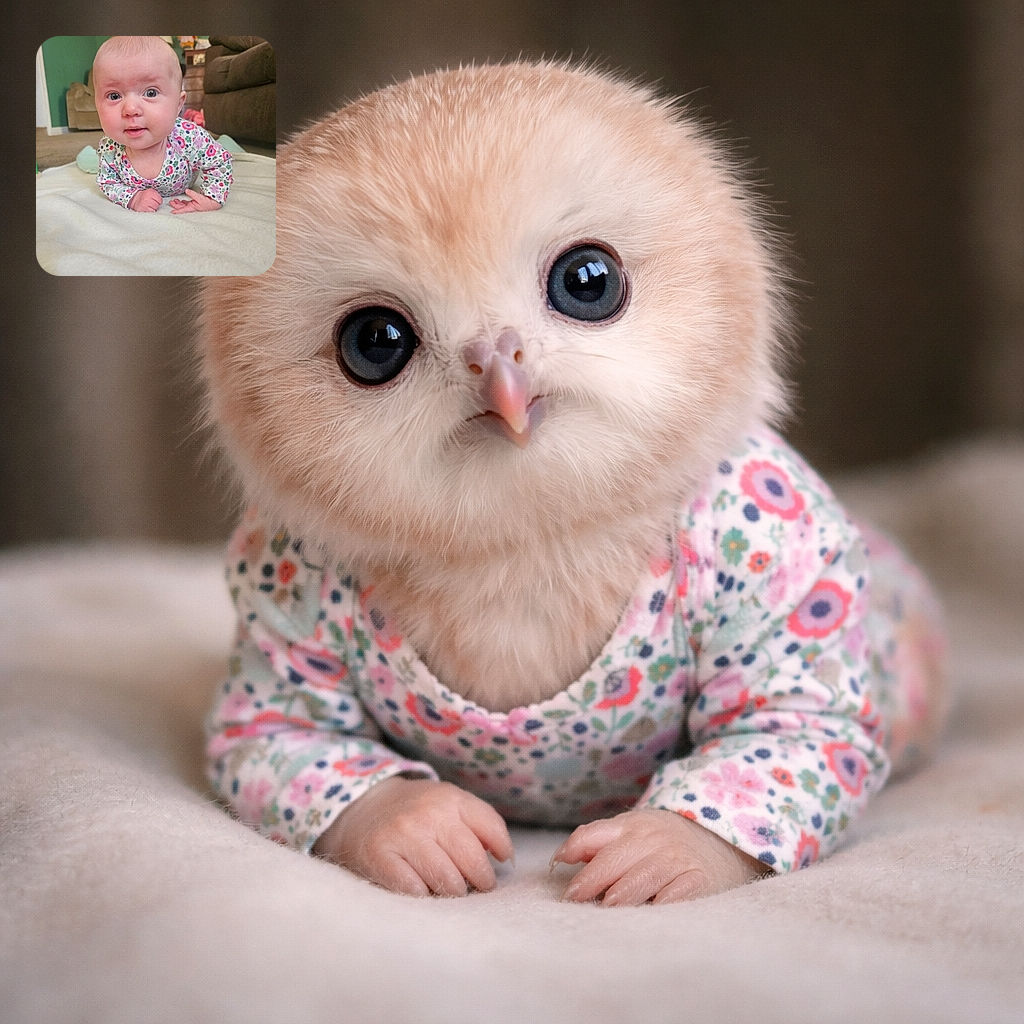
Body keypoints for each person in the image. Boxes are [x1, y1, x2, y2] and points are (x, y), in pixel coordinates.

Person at [92, 36, 232, 213]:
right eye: (114, 96)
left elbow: (219, 161)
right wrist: (133, 198)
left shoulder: (188, 137)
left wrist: (212, 198)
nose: (131, 109)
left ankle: (227, 141)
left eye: (150, 92)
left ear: (178, 104)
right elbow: (108, 182)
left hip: (185, 175)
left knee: (219, 147)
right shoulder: (110, 148)